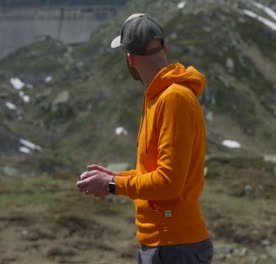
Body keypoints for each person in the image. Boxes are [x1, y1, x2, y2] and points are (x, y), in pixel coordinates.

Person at [76, 13, 213, 264]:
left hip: (173, 245)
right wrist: (115, 178)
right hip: (167, 244)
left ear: (130, 58)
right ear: (163, 48)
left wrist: (113, 185)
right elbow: (154, 172)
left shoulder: (173, 99)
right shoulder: (158, 96)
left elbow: (169, 183)